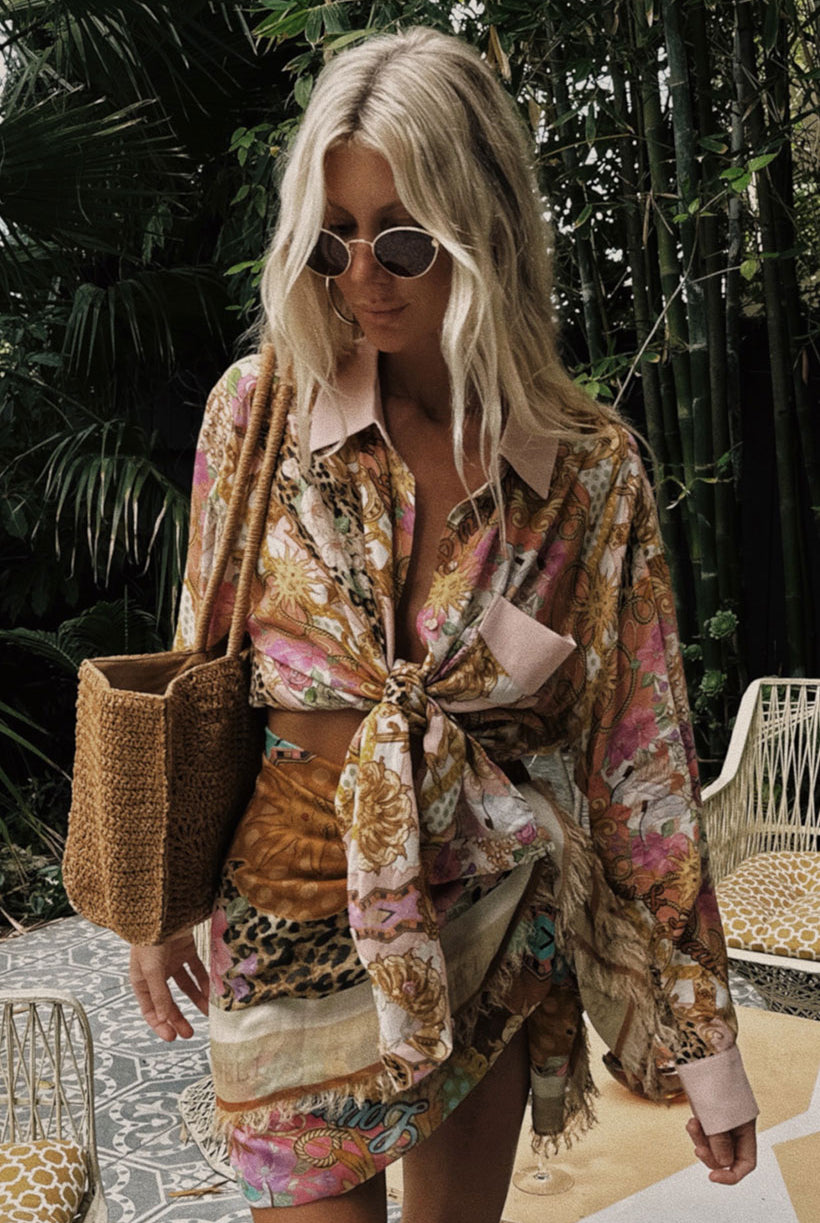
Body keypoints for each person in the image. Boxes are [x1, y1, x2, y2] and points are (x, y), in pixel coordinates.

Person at [128, 26, 758, 1223]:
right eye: (336, 235)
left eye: (405, 238)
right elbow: (194, 674)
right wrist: (154, 908)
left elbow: (647, 775)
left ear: (485, 231)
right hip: (287, 910)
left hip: (482, 912)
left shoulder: (587, 471)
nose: (365, 274)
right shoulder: (255, 415)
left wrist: (705, 1052)